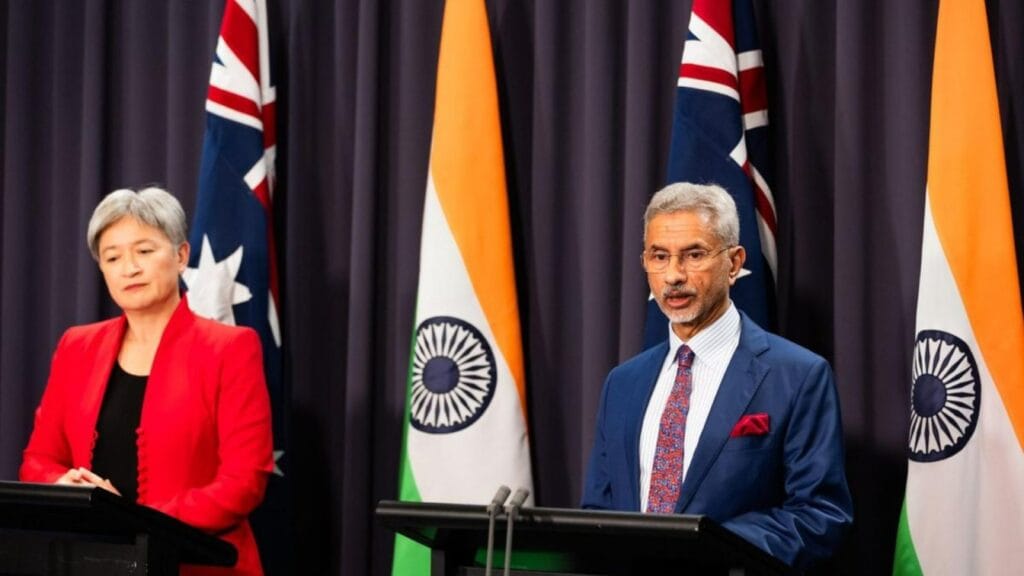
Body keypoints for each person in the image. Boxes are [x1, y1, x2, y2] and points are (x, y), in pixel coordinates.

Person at [581, 182, 853, 570]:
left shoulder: (798, 376)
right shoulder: (623, 383)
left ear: (735, 262)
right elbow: (598, 510)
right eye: (659, 256)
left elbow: (819, 515)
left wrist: (705, 550)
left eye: (694, 255)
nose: (674, 275)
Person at [20, 187, 274, 575]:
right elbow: (38, 461)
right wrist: (64, 487)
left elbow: (245, 481)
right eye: (113, 257)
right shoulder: (76, 346)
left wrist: (132, 518)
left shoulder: (231, 348)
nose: (129, 268)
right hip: (91, 559)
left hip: (196, 563)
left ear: (181, 256)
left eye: (144, 251)